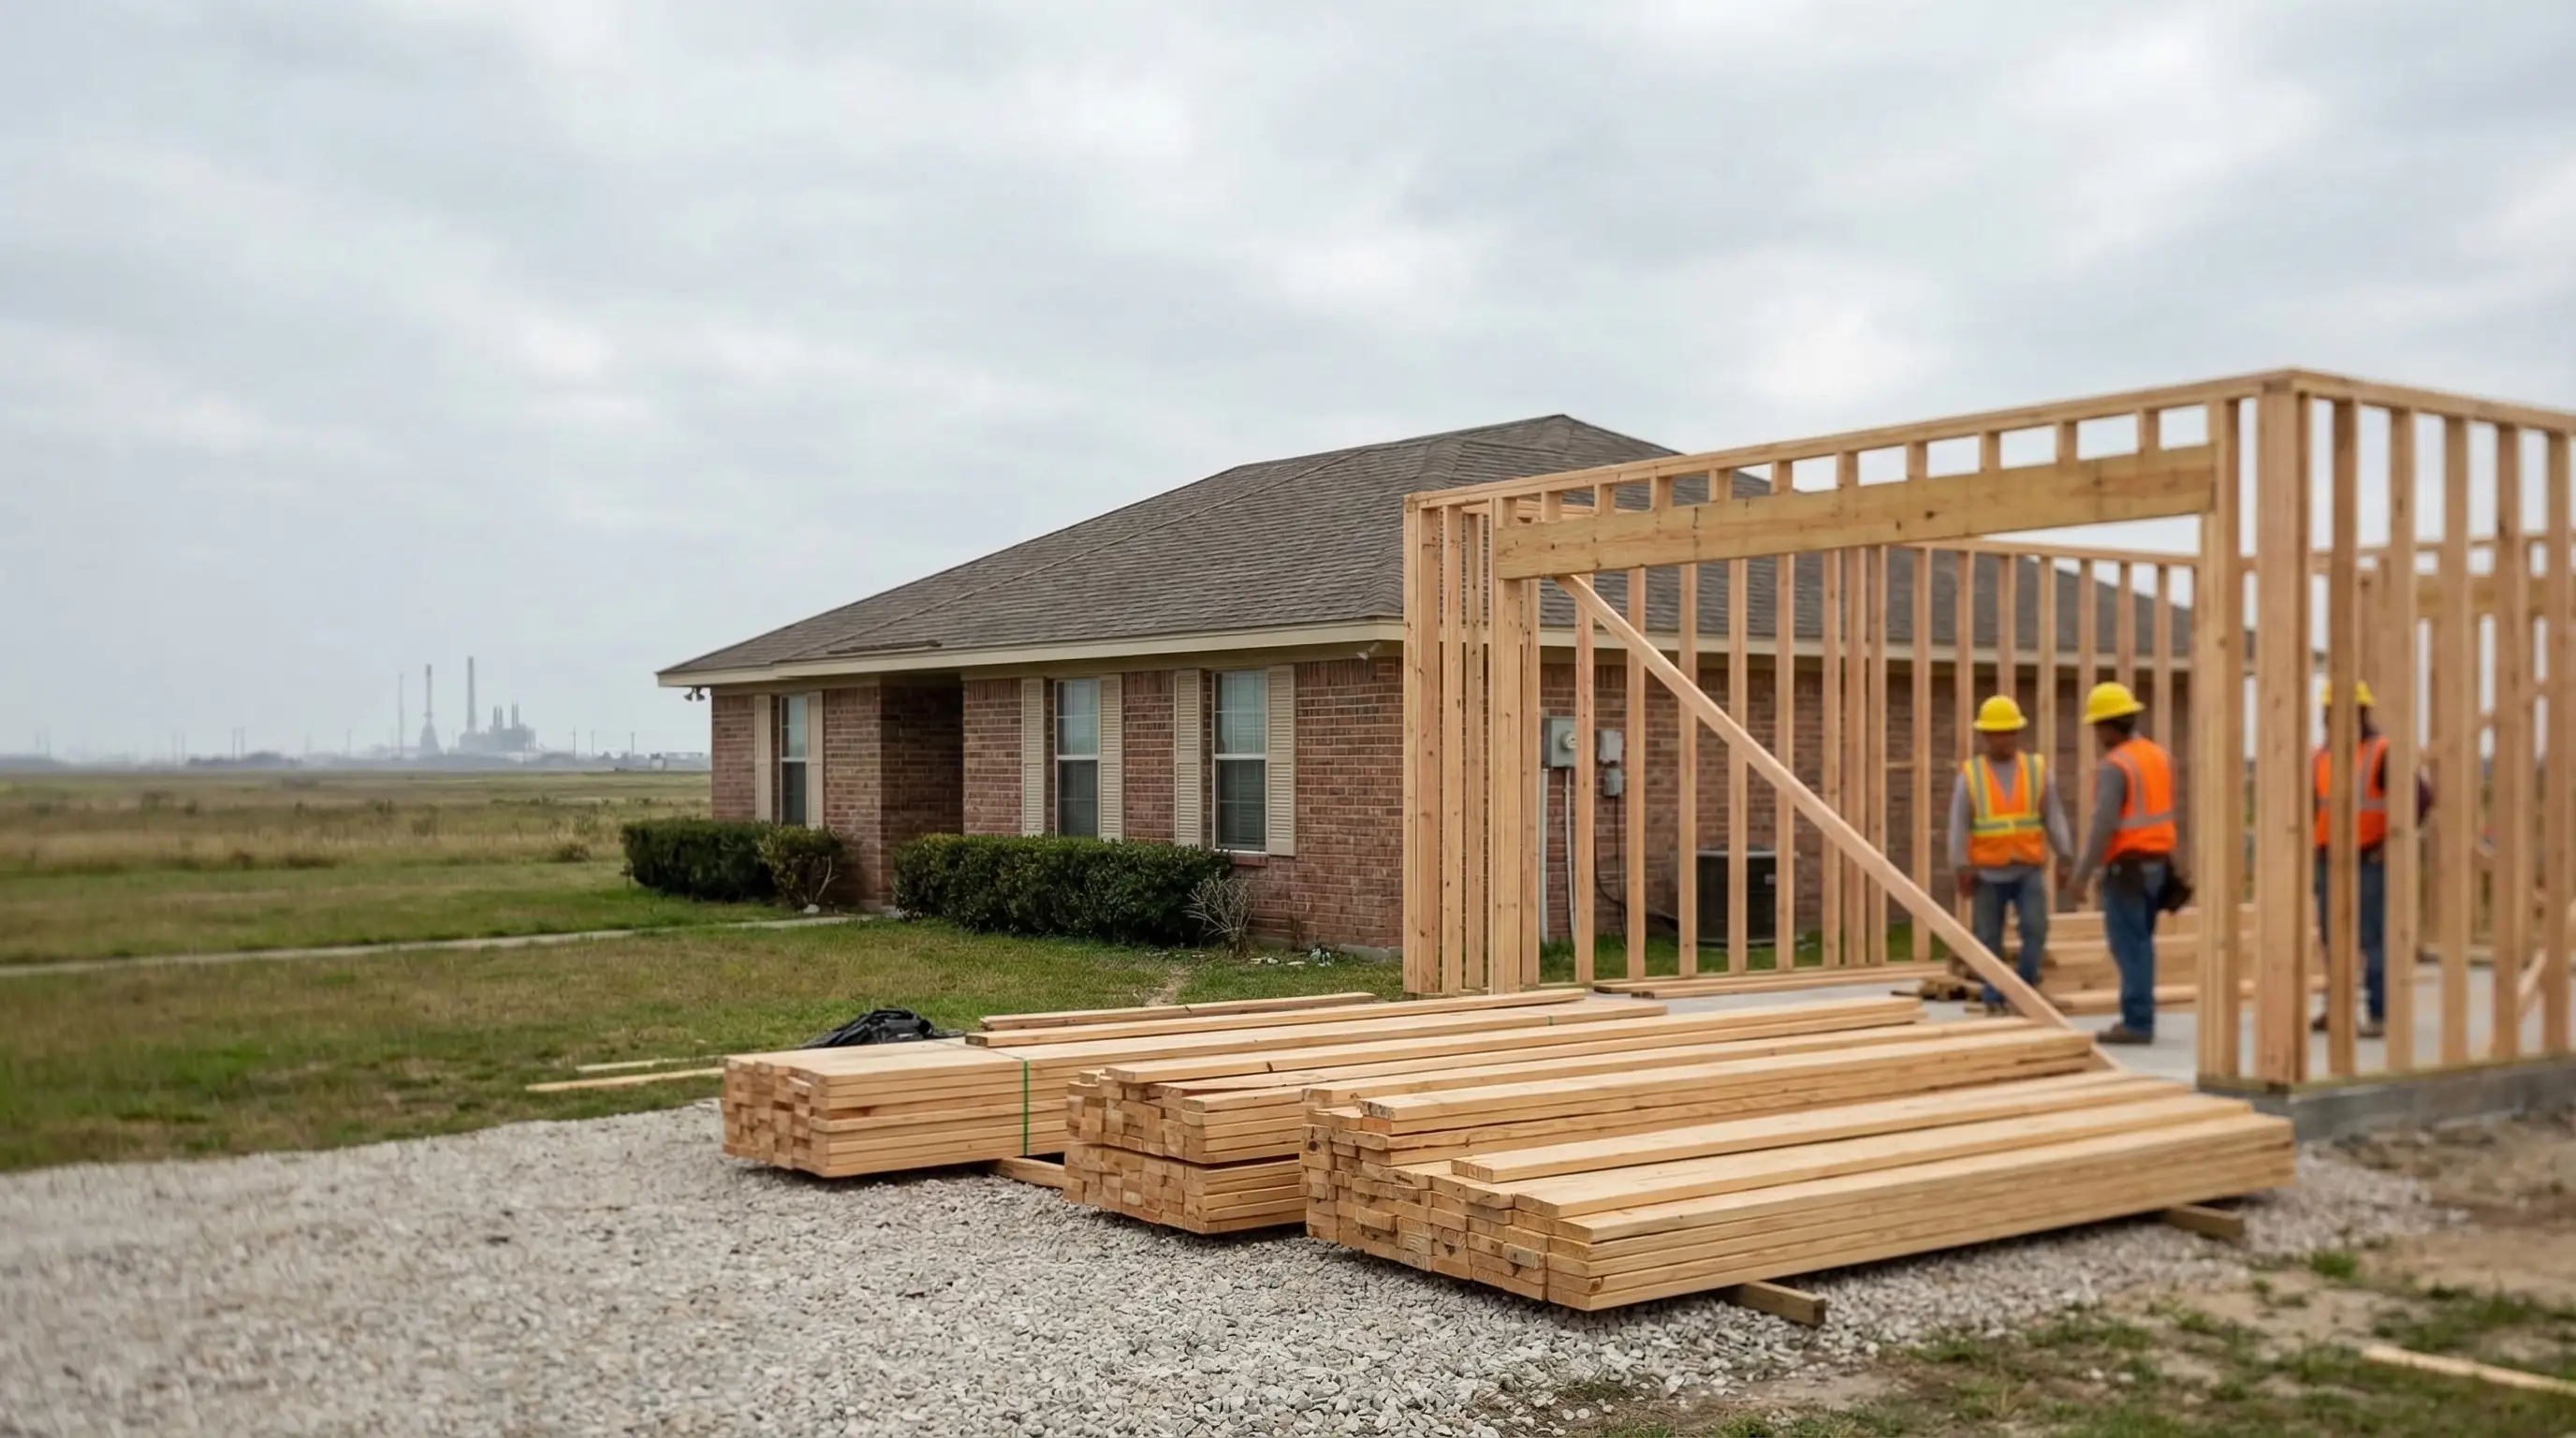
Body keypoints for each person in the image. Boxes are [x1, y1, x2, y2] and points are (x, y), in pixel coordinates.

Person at [2310, 681, 2432, 1041]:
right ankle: (2337, 1009)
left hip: (2368, 858)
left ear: (2360, 713)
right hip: (2329, 858)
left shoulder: (2381, 752)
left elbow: (2421, 799)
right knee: (2333, 938)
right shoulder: (2321, 757)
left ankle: (2379, 1013)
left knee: (2371, 938)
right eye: (2330, 713)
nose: (2333, 719)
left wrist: (2390, 843)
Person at [2060, 681, 2178, 1045]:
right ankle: (2140, 1015)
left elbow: (2103, 826)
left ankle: (2138, 1022)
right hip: (2159, 866)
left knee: (2130, 946)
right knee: (2142, 943)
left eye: (2098, 726)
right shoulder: (2157, 756)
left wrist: (2080, 876)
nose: (2097, 734)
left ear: (2109, 726)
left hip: (2127, 869)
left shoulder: (2115, 766)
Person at [1949, 695, 2074, 1015]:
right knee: (1988, 938)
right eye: (1997, 733)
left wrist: (2066, 855)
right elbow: (1958, 824)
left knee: (2036, 929)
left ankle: (2025, 988)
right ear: (1986, 736)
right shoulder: (1971, 775)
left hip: (2028, 868)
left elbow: (2054, 816)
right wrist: (1961, 867)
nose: (2003, 738)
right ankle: (1994, 995)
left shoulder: (2037, 770)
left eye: (2009, 732)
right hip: (1986, 873)